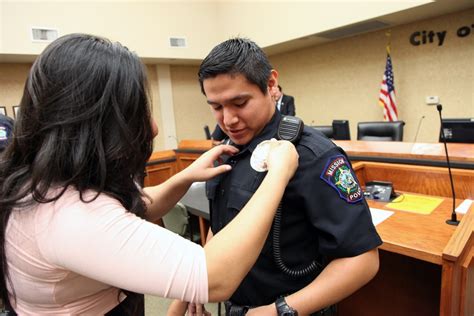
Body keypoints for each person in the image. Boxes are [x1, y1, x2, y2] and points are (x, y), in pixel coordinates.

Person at [0, 33, 300, 315]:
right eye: (136, 114)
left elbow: (131, 210)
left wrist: (184, 177)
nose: (153, 128)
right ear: (96, 126)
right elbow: (216, 276)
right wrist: (278, 172)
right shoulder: (66, 219)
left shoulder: (38, 185)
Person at [169, 38, 381, 316]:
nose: (228, 120)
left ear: (271, 85)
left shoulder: (313, 155)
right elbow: (223, 225)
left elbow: (363, 259)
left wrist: (279, 311)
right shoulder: (225, 147)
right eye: (217, 107)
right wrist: (197, 283)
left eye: (239, 102)